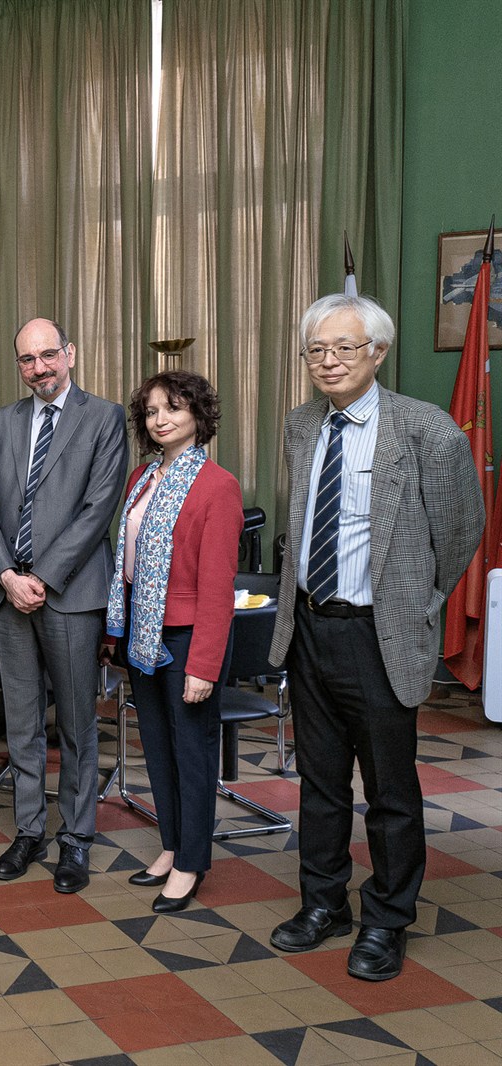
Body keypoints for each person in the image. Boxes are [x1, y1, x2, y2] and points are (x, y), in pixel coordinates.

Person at [267, 293, 483, 981]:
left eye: (344, 347)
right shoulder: (301, 425)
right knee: (319, 782)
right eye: (316, 349)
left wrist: (412, 603)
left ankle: (387, 920)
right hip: (309, 629)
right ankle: (322, 903)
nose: (328, 361)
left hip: (378, 635)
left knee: (390, 791)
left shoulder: (428, 431)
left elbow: (459, 533)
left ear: (378, 352)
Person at [0, 317, 126, 893]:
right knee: (22, 721)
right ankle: (29, 829)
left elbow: (98, 508)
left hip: (71, 595)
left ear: (70, 354)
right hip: (8, 595)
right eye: (27, 359)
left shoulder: (104, 418)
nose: (39, 368)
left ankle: (76, 838)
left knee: (78, 724)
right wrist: (8, 576)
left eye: (48, 355)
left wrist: (41, 577)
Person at [103, 371, 241, 913]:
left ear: (198, 416)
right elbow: (127, 561)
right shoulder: (141, 477)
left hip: (187, 640)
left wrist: (204, 664)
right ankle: (171, 845)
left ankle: (191, 862)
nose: (161, 419)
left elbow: (218, 587)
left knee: (192, 752)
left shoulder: (217, 485)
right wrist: (115, 631)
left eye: (174, 408)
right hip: (143, 633)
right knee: (157, 747)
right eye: (152, 411)